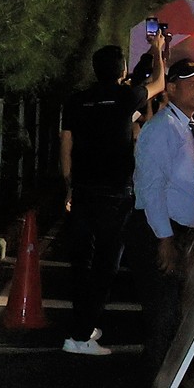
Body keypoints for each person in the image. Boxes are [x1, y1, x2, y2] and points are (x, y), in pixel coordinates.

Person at [128, 57, 194, 385]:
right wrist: (165, 239)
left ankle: (164, 386)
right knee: (163, 316)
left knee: (171, 314)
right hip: (159, 229)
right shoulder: (162, 128)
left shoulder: (185, 126)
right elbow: (150, 187)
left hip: (176, 231)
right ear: (171, 88)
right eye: (192, 84)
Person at [58, 44, 142, 356]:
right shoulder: (126, 97)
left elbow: (66, 143)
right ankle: (80, 337)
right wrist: (160, 50)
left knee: (82, 263)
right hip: (115, 192)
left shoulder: (77, 100)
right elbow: (160, 83)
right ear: (122, 70)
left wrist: (69, 184)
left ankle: (84, 324)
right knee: (106, 266)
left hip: (83, 189)